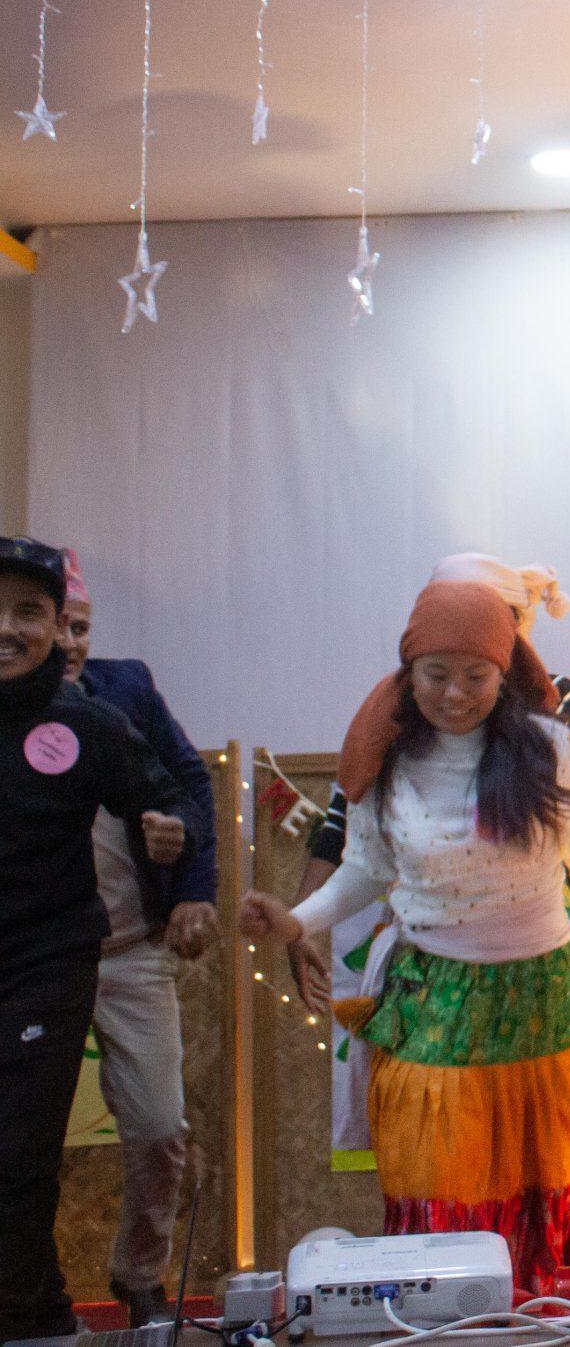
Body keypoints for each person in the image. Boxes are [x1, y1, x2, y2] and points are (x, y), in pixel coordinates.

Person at [242, 581, 570, 1292]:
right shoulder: (387, 759)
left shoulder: (549, 746)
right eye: (436, 674)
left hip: (547, 997)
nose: (455, 693)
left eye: (476, 676)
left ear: (504, 676)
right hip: (437, 997)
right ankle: (460, 1310)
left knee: (565, 1166)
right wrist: (296, 921)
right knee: (445, 1167)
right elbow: (362, 870)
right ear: (408, 673)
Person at [0, 536, 190, 1344]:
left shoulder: (86, 720)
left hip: (52, 961)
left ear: (57, 623)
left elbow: (165, 790)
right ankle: (37, 1305)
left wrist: (168, 834)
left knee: (20, 1147)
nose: (8, 628)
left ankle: (34, 1318)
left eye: (28, 612)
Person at [56, 549, 222, 1323]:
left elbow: (188, 786)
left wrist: (189, 884)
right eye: (45, 624)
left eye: (77, 625)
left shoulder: (125, 690)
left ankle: (140, 1274)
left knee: (160, 1128)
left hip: (131, 956)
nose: (66, 642)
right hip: (32, 962)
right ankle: (27, 1293)